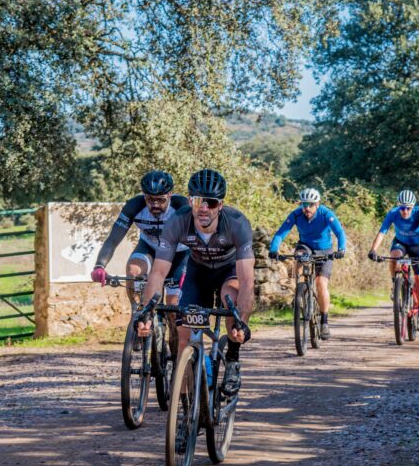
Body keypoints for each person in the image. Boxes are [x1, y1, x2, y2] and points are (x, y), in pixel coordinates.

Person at [137, 169, 253, 398]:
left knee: (230, 298)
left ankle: (232, 360)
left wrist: (242, 321)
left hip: (227, 272)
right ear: (189, 200)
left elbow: (247, 281)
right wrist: (146, 313)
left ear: (220, 205)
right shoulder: (177, 221)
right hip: (197, 274)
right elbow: (158, 272)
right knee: (183, 336)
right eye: (197, 201)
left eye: (210, 202)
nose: (203, 208)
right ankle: (181, 410)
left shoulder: (237, 223)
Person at [91, 171, 190, 307]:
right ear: (144, 196)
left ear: (169, 195)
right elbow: (113, 240)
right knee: (133, 272)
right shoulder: (134, 206)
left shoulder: (182, 206)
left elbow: (199, 236)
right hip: (150, 248)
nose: (155, 204)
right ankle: (136, 311)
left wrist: (193, 269)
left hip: (179, 253)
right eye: (150, 199)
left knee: (173, 307)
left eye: (160, 200)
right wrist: (99, 266)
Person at [268, 187, 346, 340]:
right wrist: (273, 249)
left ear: (317, 204)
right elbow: (281, 233)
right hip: (306, 247)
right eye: (304, 204)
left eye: (310, 205)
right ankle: (298, 290)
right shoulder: (296, 215)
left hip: (325, 251)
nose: (307, 208)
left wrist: (341, 249)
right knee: (298, 256)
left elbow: (340, 232)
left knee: (321, 284)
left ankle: (324, 322)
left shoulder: (326, 214)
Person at [367, 190, 419, 332]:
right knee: (394, 256)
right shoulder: (393, 213)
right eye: (402, 208)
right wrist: (373, 250)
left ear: (413, 207)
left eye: (408, 208)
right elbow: (382, 232)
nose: (405, 211)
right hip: (401, 243)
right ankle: (395, 282)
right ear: (398, 206)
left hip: (418, 247)